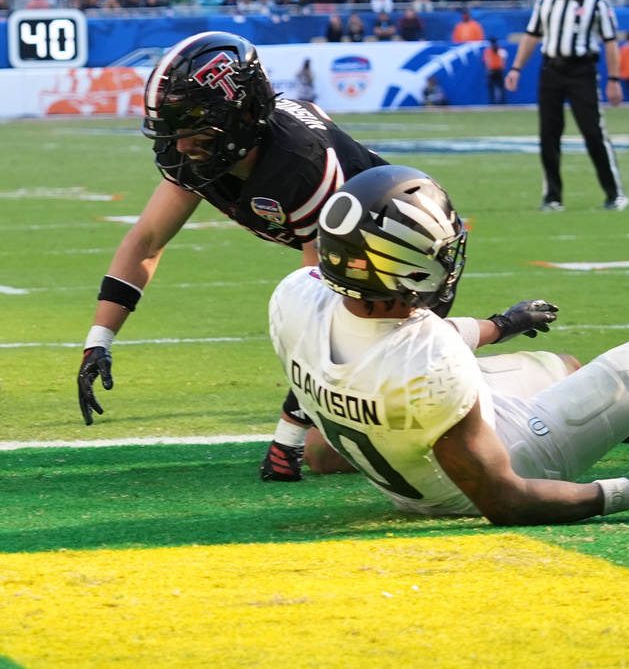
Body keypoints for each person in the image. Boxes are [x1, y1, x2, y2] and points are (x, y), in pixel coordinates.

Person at [268, 164, 629, 525]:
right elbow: (506, 500)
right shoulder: (431, 361)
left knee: (562, 365)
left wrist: (503, 325)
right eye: (438, 251)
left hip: (395, 441)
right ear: (405, 270)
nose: (447, 258)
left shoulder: (296, 295)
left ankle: (626, 422)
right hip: (471, 483)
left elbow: (400, 342)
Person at [74, 32, 391, 483]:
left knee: (327, 453)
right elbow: (146, 241)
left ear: (244, 115)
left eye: (195, 131)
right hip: (343, 272)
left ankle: (472, 394)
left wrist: (289, 435)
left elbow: (321, 315)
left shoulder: (300, 165)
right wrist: (98, 340)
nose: (182, 148)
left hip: (396, 272)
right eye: (174, 132)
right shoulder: (204, 152)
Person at [504, 0, 629, 212]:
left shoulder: (596, 0)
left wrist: (614, 78)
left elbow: (610, 41)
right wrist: (516, 68)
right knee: (548, 135)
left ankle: (615, 194)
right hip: (551, 69)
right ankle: (552, 197)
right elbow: (532, 34)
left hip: (582, 70)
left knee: (593, 132)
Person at [483, 38, 508, 104]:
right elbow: (486, 60)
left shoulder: (500, 51)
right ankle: (493, 102)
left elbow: (503, 60)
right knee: (493, 87)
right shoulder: (489, 51)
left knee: (500, 87)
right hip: (493, 70)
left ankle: (501, 102)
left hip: (497, 70)